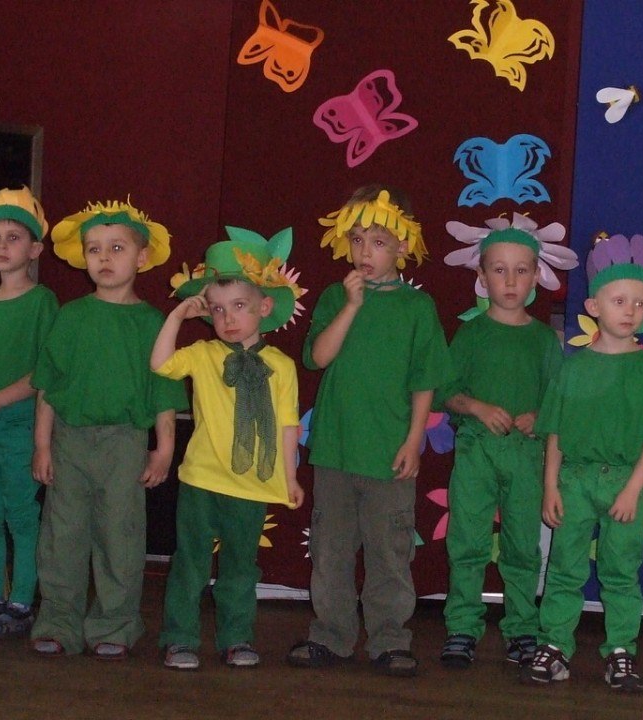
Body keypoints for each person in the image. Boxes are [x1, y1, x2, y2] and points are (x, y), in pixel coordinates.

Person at [287, 185, 451, 678]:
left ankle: (389, 639)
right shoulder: (335, 297)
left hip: (388, 453)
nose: (365, 252)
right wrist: (351, 306)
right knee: (331, 550)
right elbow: (318, 357)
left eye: (378, 242)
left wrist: (413, 440)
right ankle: (331, 635)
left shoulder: (417, 308)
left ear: (403, 246)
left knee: (389, 551)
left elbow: (425, 380)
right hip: (335, 449)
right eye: (357, 240)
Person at [29, 199, 187, 659]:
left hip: (124, 442)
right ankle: (58, 621)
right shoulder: (70, 316)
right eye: (94, 248)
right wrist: (42, 445)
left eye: (117, 248)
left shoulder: (151, 322)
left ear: (141, 256)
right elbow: (49, 386)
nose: (104, 257)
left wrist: (164, 449)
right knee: (62, 535)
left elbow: (163, 390)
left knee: (121, 535)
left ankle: (114, 624)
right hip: (69, 441)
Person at [521, 234, 643, 692]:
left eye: (639, 303)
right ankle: (555, 644)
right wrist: (551, 486)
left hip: (625, 482)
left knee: (621, 570)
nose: (629, 310)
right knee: (565, 566)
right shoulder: (574, 367)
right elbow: (556, 433)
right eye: (619, 300)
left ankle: (621, 650)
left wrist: (632, 490)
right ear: (594, 306)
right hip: (575, 481)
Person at [152, 228, 306, 670]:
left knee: (240, 567)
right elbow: (160, 363)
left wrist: (291, 476)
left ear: (264, 307)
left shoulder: (281, 366)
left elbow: (288, 425)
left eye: (239, 306)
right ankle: (180, 638)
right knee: (190, 563)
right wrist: (178, 315)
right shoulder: (202, 354)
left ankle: (237, 638)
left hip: (251, 484)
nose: (228, 318)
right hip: (202, 479)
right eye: (218, 309)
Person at [436, 219, 577, 669]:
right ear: (482, 276)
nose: (510, 281)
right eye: (499, 270)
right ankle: (462, 626)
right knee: (467, 541)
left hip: (526, 457)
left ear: (536, 276)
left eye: (521, 270)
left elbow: (560, 401)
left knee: (522, 546)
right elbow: (445, 391)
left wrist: (540, 418)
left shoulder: (543, 340)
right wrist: (477, 407)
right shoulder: (471, 334)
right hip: (476, 450)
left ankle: (521, 628)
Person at [0, 187, 58, 638]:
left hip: (18, 425)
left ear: (35, 249)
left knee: (20, 515)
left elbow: (45, 372)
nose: (2, 245)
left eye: (14, 237)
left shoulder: (42, 302)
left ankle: (20, 601)